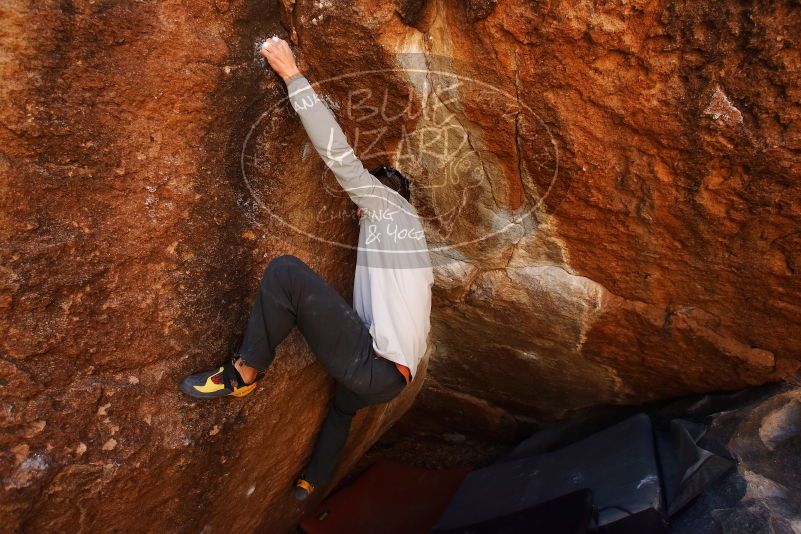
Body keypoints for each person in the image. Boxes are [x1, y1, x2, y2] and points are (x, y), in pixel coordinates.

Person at [179, 36, 434, 501]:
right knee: (341, 411)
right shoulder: (411, 246)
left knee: (285, 274)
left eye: (366, 200)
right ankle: (310, 482)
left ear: (387, 193)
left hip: (375, 367)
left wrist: (292, 75)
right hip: (391, 381)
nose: (358, 210)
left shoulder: (389, 208)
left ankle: (243, 376)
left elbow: (343, 160)